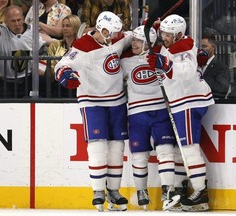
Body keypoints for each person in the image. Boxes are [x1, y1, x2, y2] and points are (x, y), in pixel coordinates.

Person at [54, 11, 132, 211]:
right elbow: (62, 65)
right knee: (97, 145)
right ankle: (98, 191)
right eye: (112, 32)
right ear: (103, 30)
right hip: (92, 101)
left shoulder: (118, 39)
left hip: (117, 101)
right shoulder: (82, 46)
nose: (116, 36)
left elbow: (135, 35)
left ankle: (114, 191)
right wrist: (65, 74)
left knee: (117, 147)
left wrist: (152, 26)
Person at [146, 14, 215, 212]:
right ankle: (187, 189)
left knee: (189, 148)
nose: (164, 37)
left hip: (188, 102)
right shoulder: (175, 45)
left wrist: (164, 64)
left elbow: (186, 70)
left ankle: (201, 193)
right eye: (163, 33)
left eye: (168, 34)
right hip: (183, 101)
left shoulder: (183, 48)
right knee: (182, 148)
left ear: (178, 35)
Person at [121, 25, 181, 211]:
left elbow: (175, 76)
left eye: (139, 40)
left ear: (148, 43)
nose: (134, 43)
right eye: (134, 39)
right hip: (137, 114)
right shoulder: (125, 59)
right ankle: (141, 192)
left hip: (161, 111)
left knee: (166, 151)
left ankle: (168, 192)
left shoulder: (162, 56)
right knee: (139, 155)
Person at [0, 3, 46, 98]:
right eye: (13, 21)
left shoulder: (32, 31)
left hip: (25, 80)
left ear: (23, 18)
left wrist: (41, 67)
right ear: (6, 21)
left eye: (19, 20)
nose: (17, 24)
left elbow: (42, 50)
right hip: (1, 82)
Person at [40, 14, 81, 97]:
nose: (65, 28)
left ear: (75, 27)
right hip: (58, 83)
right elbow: (50, 66)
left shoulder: (82, 45)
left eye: (68, 26)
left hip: (77, 84)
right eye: (63, 26)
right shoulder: (55, 45)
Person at [201, 31, 230, 99]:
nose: (200, 49)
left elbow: (221, 91)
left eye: (204, 46)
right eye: (199, 46)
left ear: (213, 47)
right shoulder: (193, 65)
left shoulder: (221, 68)